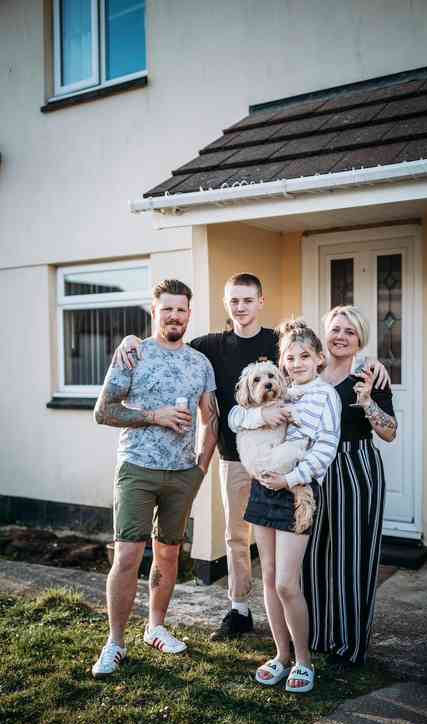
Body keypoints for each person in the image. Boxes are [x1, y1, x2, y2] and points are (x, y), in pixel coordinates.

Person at [112, 273, 290, 641]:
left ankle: (291, 609)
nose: (240, 307)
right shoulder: (210, 345)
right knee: (237, 537)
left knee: (284, 533)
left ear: (261, 301)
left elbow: (315, 359)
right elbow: (166, 342)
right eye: (234, 301)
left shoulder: (279, 342)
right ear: (226, 304)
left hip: (279, 454)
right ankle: (239, 609)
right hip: (233, 456)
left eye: (247, 300)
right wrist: (131, 339)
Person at [91, 279, 218, 677]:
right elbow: (103, 411)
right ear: (155, 311)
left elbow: (210, 418)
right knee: (128, 555)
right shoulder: (134, 353)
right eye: (167, 309)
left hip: (182, 474)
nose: (174, 316)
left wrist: (200, 468)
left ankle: (156, 627)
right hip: (137, 469)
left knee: (168, 554)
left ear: (189, 314)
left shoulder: (199, 363)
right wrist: (153, 415)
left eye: (181, 309)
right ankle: (115, 643)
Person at [229, 320, 342, 693]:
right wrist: (258, 416)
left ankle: (304, 661)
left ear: (319, 359)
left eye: (304, 356)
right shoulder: (282, 390)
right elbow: (234, 417)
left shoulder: (326, 396)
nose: (296, 363)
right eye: (289, 357)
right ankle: (280, 655)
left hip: (297, 489)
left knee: (287, 584)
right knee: (270, 578)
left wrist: (289, 480)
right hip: (264, 489)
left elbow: (325, 450)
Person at [302, 305, 397, 672]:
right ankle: (315, 637)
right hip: (312, 468)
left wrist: (368, 402)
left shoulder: (370, 374)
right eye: (335, 329)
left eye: (349, 332)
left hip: (356, 469)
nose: (340, 336)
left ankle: (348, 646)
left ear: (360, 339)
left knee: (352, 559)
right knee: (311, 557)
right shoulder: (309, 369)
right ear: (325, 333)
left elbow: (389, 432)